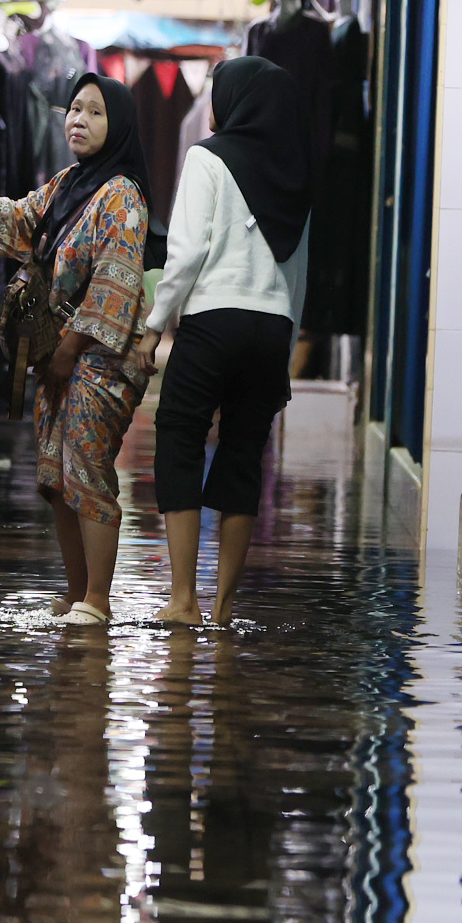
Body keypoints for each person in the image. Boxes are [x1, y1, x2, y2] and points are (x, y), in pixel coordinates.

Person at [0, 73, 154, 626]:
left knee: (87, 469)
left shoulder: (122, 195)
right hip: (60, 356)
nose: (79, 120)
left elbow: (116, 283)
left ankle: (99, 599)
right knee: (56, 477)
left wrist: (69, 349)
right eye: (75, 108)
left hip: (100, 360)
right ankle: (77, 593)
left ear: (118, 125)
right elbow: (15, 219)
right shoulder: (67, 185)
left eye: (95, 112)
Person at [140, 56, 311, 626]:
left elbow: (186, 252)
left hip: (215, 320)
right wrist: (285, 352)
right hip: (272, 328)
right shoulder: (296, 175)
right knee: (242, 454)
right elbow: (299, 276)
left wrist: (155, 325)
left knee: (180, 435)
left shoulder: (207, 157)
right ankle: (223, 606)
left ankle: (183, 598)